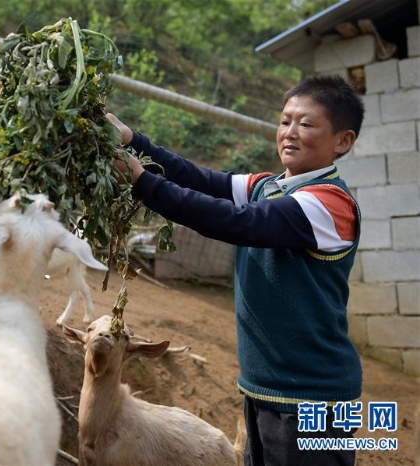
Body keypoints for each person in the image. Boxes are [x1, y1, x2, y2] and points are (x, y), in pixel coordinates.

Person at [106, 74, 364, 466]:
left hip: (316, 400)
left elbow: (234, 221)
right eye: (285, 121)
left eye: (306, 124)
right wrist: (133, 141)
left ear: (343, 141)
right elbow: (200, 180)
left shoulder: (329, 204)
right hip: (265, 389)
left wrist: (142, 182)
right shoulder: (270, 186)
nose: (290, 133)